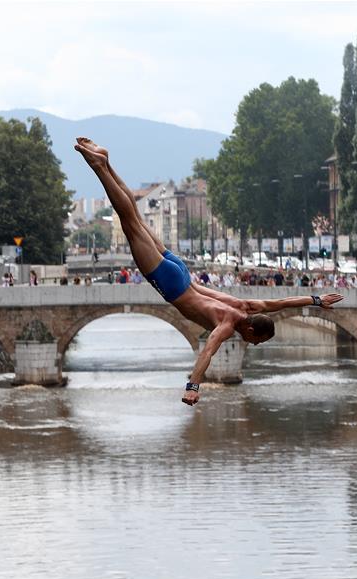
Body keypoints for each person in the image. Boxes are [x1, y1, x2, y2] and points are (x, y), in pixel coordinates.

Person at [75, 137, 343, 405]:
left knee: (136, 218)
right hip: (170, 283)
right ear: (250, 330)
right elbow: (208, 352)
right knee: (130, 223)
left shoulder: (246, 306)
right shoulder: (227, 323)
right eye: (257, 341)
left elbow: (280, 303)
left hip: (180, 271)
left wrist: (316, 300)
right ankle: (99, 167)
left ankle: (107, 163)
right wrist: (193, 386)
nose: (255, 345)